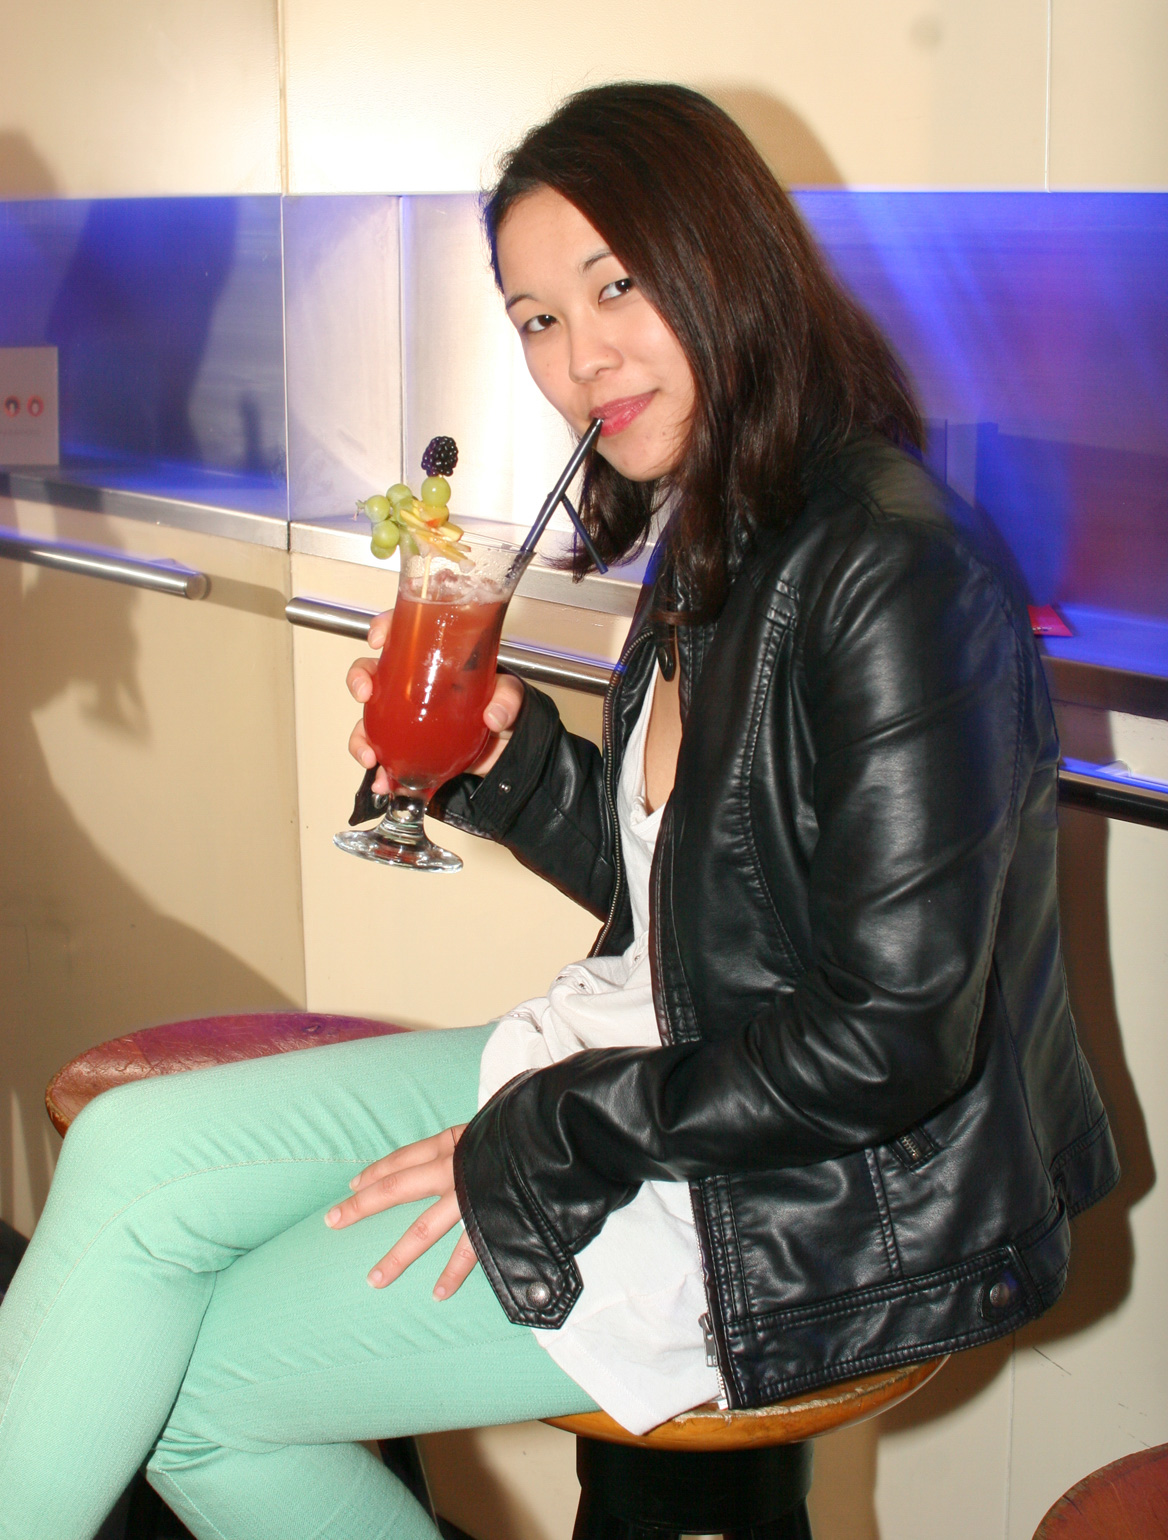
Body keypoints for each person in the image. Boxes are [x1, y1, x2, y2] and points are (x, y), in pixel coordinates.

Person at [0, 84, 1118, 1540]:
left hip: (789, 1190)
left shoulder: (893, 571)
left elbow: (890, 1037)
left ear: (728, 259)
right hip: (636, 1070)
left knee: (200, 1399)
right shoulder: (717, 523)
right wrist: (508, 761)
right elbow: (693, 901)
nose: (579, 357)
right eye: (536, 318)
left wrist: (545, 1134)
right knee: (129, 1162)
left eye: (616, 285)